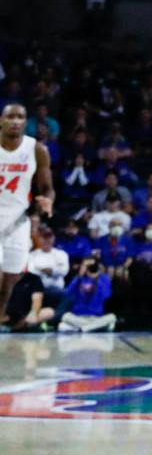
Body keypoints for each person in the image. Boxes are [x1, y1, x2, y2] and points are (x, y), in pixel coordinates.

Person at [0, 103, 55, 311]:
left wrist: (47, 200)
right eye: (10, 117)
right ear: (1, 121)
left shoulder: (37, 149)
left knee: (10, 277)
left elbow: (47, 188)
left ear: (26, 122)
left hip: (18, 219)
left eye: (20, 117)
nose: (15, 121)